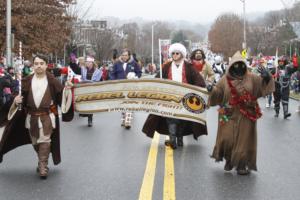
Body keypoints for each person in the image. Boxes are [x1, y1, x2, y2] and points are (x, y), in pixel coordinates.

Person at [0, 53, 73, 179]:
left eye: (41, 64)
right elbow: (18, 96)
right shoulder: (26, 81)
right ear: (33, 66)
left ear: (46, 65)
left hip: (47, 117)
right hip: (31, 118)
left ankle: (43, 166)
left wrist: (67, 90)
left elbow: (62, 97)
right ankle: (42, 159)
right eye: (36, 64)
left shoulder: (53, 81)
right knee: (36, 142)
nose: (39, 66)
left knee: (45, 140)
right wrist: (16, 100)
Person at [207, 51, 274, 175]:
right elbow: (218, 93)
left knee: (244, 140)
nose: (239, 68)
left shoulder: (252, 78)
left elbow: (263, 87)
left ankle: (241, 165)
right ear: (231, 66)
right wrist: (212, 90)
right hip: (228, 113)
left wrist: (267, 77)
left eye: (241, 65)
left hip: (246, 114)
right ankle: (228, 160)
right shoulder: (224, 80)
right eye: (236, 65)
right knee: (227, 139)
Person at [142, 43, 207, 149]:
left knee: (182, 120)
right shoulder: (166, 66)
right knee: (171, 118)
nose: (175, 55)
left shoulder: (189, 67)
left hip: (185, 99)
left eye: (177, 53)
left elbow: (199, 81)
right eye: (173, 53)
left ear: (182, 54)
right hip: (170, 99)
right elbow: (158, 79)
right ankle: (172, 140)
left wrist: (197, 90)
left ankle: (180, 138)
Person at [111, 49, 142, 129]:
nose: (124, 57)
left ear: (129, 56)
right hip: (120, 86)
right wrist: (114, 81)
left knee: (129, 103)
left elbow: (139, 72)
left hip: (130, 86)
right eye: (123, 55)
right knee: (123, 103)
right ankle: (124, 119)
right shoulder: (117, 63)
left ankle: (128, 122)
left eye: (126, 55)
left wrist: (135, 77)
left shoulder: (134, 63)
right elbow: (112, 74)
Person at [71, 56, 102, 127]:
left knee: (90, 104)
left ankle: (90, 119)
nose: (87, 63)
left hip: (92, 88)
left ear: (92, 63)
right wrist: (73, 62)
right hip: (84, 88)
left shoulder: (98, 71)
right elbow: (76, 70)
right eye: (87, 62)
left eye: (89, 62)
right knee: (84, 102)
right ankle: (84, 113)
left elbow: (100, 81)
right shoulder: (83, 69)